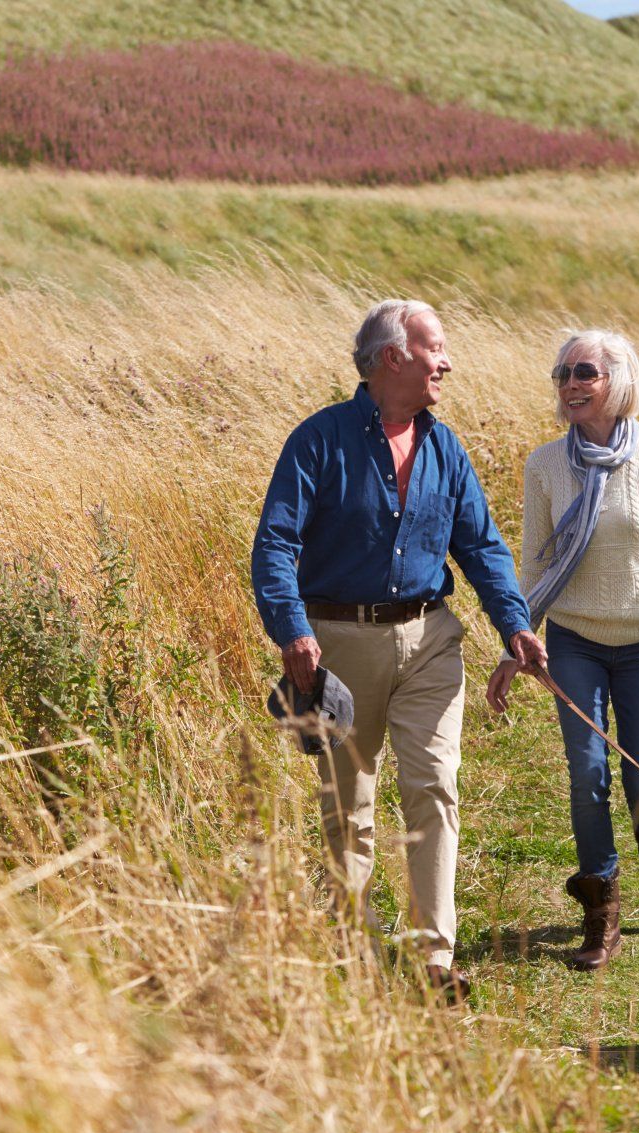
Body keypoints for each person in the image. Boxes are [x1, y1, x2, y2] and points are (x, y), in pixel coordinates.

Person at [252, 299, 546, 1001]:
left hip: (431, 639)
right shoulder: (318, 441)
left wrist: (515, 624)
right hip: (335, 647)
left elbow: (480, 546)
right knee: (348, 805)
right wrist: (291, 628)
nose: (446, 361)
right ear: (394, 357)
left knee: (434, 788)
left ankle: (433, 961)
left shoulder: (445, 449)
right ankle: (347, 953)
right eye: (434, 348)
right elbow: (276, 544)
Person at [486, 330, 639, 972]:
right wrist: (516, 640)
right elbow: (534, 565)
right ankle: (602, 910)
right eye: (562, 373)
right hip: (574, 640)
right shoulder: (544, 465)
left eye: (583, 371)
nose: (569, 384)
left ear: (616, 380)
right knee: (588, 774)